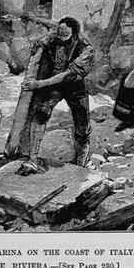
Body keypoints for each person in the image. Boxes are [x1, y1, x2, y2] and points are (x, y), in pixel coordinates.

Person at [15, 17, 95, 176]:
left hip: (73, 85)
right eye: (59, 34)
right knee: (41, 113)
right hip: (54, 85)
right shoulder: (53, 38)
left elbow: (66, 76)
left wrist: (39, 84)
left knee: (82, 125)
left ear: (74, 35)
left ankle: (81, 163)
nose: (60, 38)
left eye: (64, 36)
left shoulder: (86, 49)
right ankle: (33, 159)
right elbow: (38, 47)